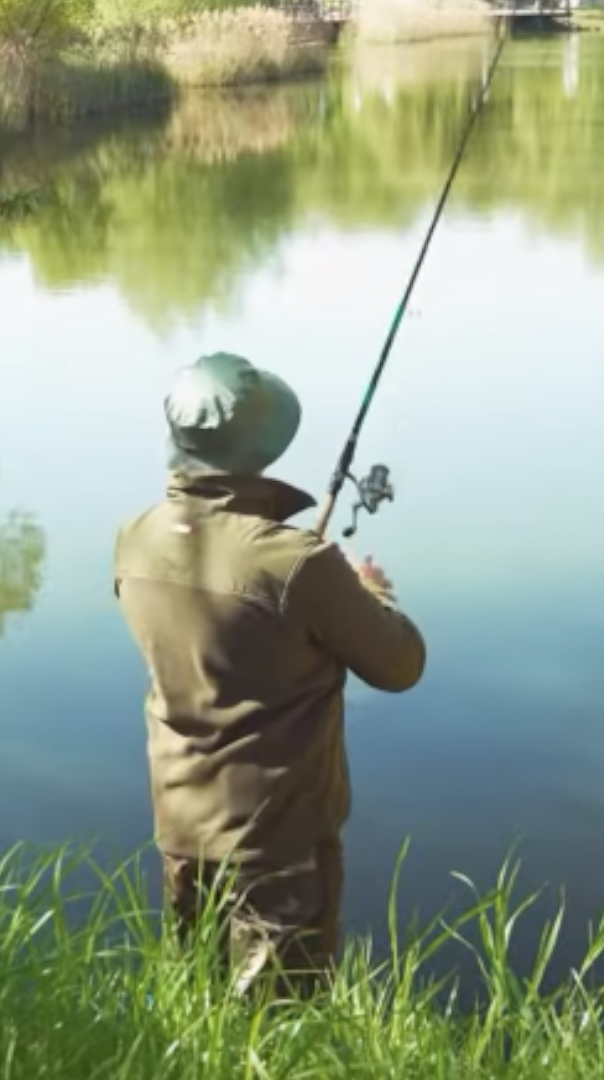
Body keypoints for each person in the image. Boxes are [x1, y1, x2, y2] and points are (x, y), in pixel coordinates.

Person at [111, 351, 427, 1002]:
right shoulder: (295, 563)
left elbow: (219, 639)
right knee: (278, 1034)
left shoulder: (134, 539)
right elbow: (401, 665)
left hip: (179, 826)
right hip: (276, 843)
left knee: (197, 1010)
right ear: (260, 449)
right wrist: (372, 593)